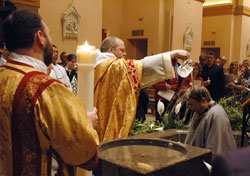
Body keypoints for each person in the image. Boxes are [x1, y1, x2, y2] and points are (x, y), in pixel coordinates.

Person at [0, 10, 99, 176]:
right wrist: (86, 124)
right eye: (49, 34)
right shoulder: (46, 89)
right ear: (40, 37)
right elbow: (81, 153)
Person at [95, 36, 190, 142]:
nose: (125, 54)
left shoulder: (95, 65)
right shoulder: (113, 67)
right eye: (122, 50)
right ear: (111, 50)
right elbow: (141, 67)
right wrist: (172, 54)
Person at [184, 86, 237, 155]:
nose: (191, 108)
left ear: (203, 100)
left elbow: (215, 147)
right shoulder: (199, 111)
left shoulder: (217, 114)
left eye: (192, 104)